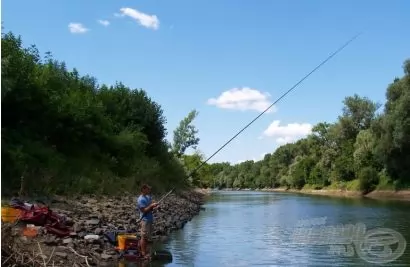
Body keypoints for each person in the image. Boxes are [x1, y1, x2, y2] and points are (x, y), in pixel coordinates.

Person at [137, 184, 158, 260]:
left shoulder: (148, 197)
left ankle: (144, 250)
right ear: (143, 189)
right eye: (148, 189)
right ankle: (143, 253)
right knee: (144, 237)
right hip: (144, 220)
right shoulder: (140, 199)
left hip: (150, 219)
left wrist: (154, 206)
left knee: (148, 237)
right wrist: (151, 205)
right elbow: (144, 210)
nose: (149, 190)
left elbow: (150, 207)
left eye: (149, 189)